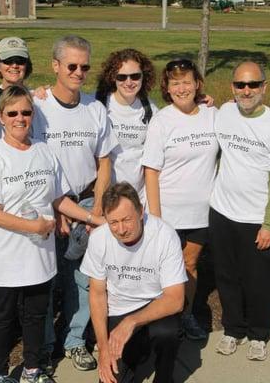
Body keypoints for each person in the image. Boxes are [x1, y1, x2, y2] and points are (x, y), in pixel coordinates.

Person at [0, 85, 106, 383]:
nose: (20, 118)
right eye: (13, 113)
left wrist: (93, 217)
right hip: (6, 256)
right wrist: (34, 227)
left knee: (36, 316)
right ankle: (0, 373)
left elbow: (59, 199)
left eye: (26, 112)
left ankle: (33, 370)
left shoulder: (44, 151)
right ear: (0, 117)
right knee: (4, 319)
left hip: (40, 256)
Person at [32, 35, 118, 371]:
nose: (79, 72)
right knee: (44, 281)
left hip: (85, 201)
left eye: (84, 66)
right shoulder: (37, 107)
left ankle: (74, 341)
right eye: (71, 65)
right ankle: (43, 348)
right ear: (55, 66)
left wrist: (95, 210)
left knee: (83, 280)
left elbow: (105, 160)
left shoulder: (94, 109)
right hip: (45, 204)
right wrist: (56, 205)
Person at [208, 61, 270, 361]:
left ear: (264, 88)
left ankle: (258, 334)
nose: (247, 91)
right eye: (240, 85)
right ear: (232, 88)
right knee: (227, 277)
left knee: (257, 281)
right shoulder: (224, 113)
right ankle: (233, 330)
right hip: (221, 212)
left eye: (253, 85)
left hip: (256, 219)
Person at [141, 59, 219, 340]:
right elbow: (151, 171)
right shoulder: (162, 121)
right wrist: (157, 219)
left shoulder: (212, 114)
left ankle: (185, 316)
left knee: (189, 265)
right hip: (168, 212)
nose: (182, 88)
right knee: (161, 269)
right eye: (175, 83)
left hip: (201, 211)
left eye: (187, 81)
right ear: (167, 88)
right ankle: (158, 322)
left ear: (198, 83)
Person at [81, 183, 187, 383]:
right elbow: (97, 294)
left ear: (140, 212)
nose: (121, 230)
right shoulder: (99, 239)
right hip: (118, 309)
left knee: (168, 333)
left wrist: (131, 322)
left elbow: (175, 299)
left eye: (126, 220)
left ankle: (165, 377)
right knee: (113, 377)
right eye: (113, 222)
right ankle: (133, 353)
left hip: (155, 304)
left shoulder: (164, 235)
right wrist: (103, 350)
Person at [95, 48, 158, 201]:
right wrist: (41, 92)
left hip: (139, 197)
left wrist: (199, 101)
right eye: (122, 77)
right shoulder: (98, 104)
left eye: (135, 76)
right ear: (112, 78)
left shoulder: (151, 108)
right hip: (106, 196)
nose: (129, 82)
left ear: (144, 76)